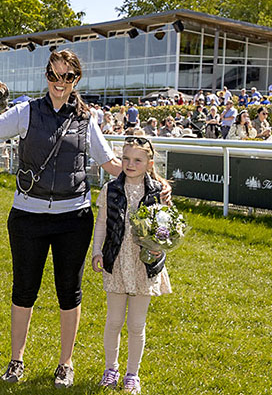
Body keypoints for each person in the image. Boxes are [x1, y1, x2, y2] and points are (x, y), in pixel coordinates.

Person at [0, 50, 170, 389]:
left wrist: (157, 183)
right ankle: (16, 360)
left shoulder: (86, 119)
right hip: (27, 217)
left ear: (76, 79)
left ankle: (65, 363)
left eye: (66, 77)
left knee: (70, 292)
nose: (59, 83)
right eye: (53, 75)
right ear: (46, 75)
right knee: (24, 290)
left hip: (73, 219)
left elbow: (112, 164)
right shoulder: (25, 112)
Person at [91, 136, 171, 394]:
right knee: (113, 321)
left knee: (137, 324)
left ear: (149, 163)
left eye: (137, 160)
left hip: (143, 264)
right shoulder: (110, 189)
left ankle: (132, 374)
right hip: (116, 260)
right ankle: (110, 369)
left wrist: (160, 246)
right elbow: (101, 223)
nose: (130, 164)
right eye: (125, 158)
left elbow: (167, 225)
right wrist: (97, 252)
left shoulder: (158, 191)